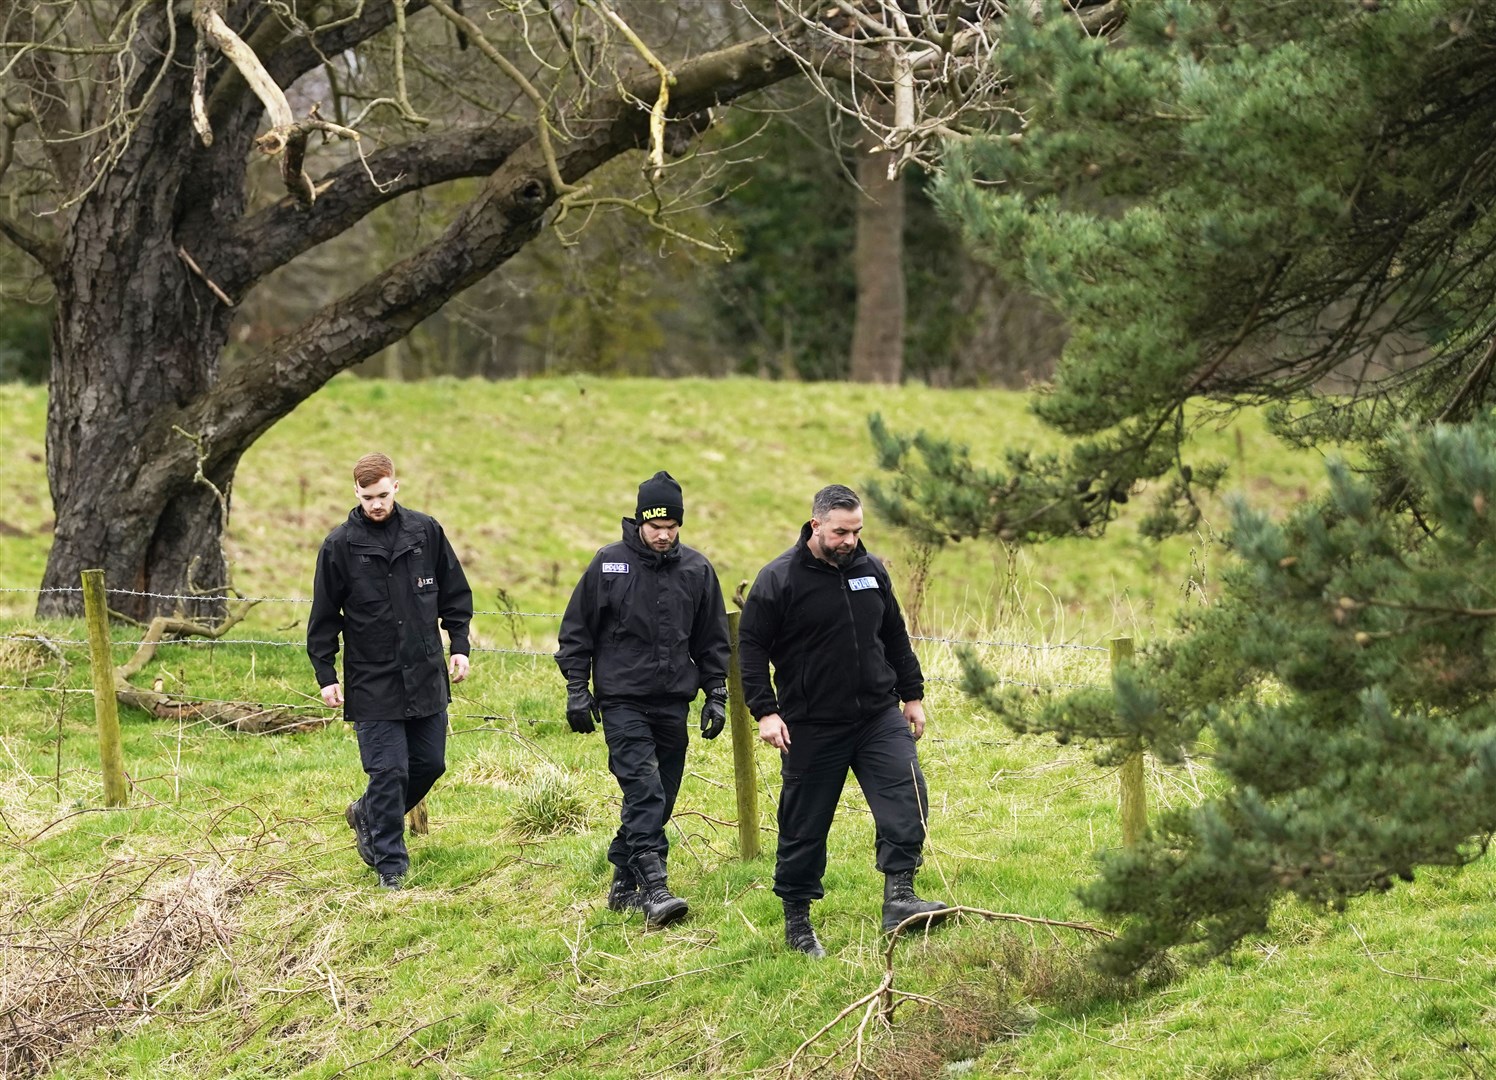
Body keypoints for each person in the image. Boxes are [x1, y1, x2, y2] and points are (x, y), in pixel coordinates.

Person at [738, 484, 948, 957]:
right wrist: (766, 711)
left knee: (907, 795)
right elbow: (750, 649)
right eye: (839, 532)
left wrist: (911, 695)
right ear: (816, 526)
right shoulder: (779, 580)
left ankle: (900, 899)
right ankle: (798, 924)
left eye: (856, 531)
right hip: (810, 724)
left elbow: (893, 634)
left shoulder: (871, 572)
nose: (849, 540)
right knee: (804, 825)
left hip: (876, 715)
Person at [556, 471, 731, 928]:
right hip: (622, 701)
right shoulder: (609, 565)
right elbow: (576, 632)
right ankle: (654, 889)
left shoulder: (696, 569)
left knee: (661, 796)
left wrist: (715, 693)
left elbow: (712, 639)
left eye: (672, 527)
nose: (663, 535)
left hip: (674, 701)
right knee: (645, 789)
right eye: (655, 526)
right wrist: (578, 689)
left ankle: (621, 882)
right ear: (639, 522)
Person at [308, 452, 473, 890]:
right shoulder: (339, 546)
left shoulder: (426, 532)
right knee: (389, 771)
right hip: (372, 677)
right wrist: (326, 674)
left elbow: (454, 593)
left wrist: (459, 645)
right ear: (355, 493)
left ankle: (367, 813)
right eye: (367, 497)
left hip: (424, 672)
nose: (376, 504)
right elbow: (323, 617)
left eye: (382, 495)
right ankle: (390, 865)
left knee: (430, 763)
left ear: (396, 487)